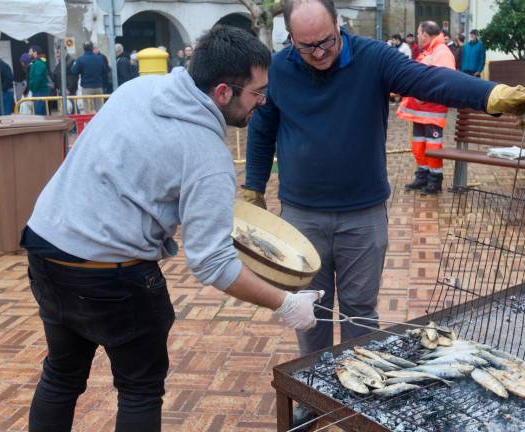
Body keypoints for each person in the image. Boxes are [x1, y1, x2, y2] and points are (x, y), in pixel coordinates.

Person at [22, 25, 321, 432]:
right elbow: (212, 263)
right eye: (257, 93)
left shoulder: (138, 89)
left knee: (60, 375)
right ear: (222, 92)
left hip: (46, 246)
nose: (263, 103)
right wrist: (286, 304)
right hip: (110, 275)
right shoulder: (208, 156)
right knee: (140, 390)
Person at [243, 0, 525, 359]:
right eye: (307, 46)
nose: (319, 52)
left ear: (339, 25)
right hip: (301, 217)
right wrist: (254, 187)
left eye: (326, 41)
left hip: (362, 215)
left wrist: (491, 95)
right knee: (310, 312)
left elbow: (430, 81)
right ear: (290, 37)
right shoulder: (278, 71)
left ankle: (356, 390)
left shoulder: (374, 58)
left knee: (360, 311)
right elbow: (261, 131)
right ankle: (313, 386)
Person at [397, 22, 456, 194]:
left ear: (425, 34)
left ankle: (435, 181)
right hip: (421, 112)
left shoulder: (441, 52)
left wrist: (422, 95)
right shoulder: (430, 51)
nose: (416, 37)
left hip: (431, 112)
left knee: (432, 147)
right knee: (419, 145)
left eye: (418, 33)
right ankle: (422, 176)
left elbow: (444, 80)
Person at [71, 42, 107, 111]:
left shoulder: (81, 59)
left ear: (83, 49)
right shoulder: (99, 58)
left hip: (86, 87)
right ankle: (100, 120)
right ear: (92, 48)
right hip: (98, 86)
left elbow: (74, 71)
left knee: (87, 106)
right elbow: (104, 71)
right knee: (99, 107)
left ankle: (88, 121)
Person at [27, 46, 51, 115]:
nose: (28, 53)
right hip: (39, 91)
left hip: (40, 92)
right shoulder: (36, 63)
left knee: (39, 113)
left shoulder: (38, 64)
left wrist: (33, 89)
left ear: (35, 53)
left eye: (30, 51)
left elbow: (37, 78)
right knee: (40, 112)